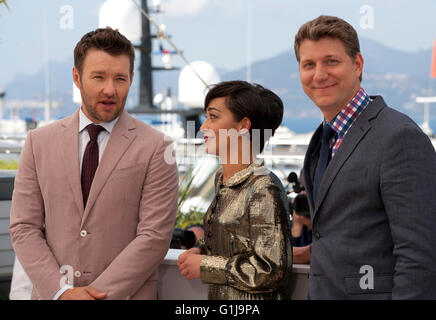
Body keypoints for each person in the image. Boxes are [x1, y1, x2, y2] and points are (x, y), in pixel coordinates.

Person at [9, 27, 179, 300]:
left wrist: (94, 296)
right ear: (77, 77)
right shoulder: (38, 142)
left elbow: (154, 237)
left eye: (120, 79)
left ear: (132, 79)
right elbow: (24, 227)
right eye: (98, 77)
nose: (110, 90)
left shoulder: (157, 148)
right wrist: (61, 292)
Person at [294, 15, 436, 299]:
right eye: (308, 64)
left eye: (331, 61)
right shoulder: (323, 139)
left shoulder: (399, 137)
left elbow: (420, 257)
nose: (319, 74)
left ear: (357, 65)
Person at [177, 80, 293, 300]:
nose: (203, 128)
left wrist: (206, 265)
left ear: (243, 126)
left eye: (213, 117)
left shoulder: (263, 187)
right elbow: (236, 238)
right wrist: (202, 249)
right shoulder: (223, 179)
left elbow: (272, 269)